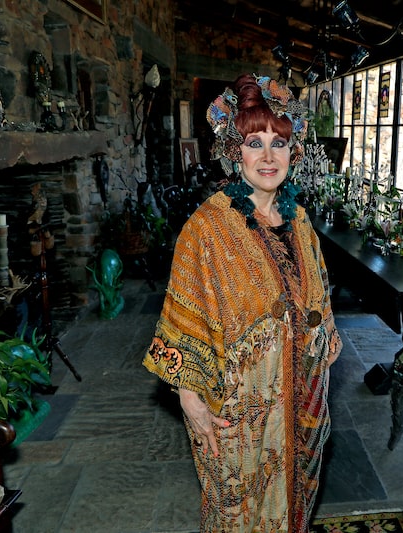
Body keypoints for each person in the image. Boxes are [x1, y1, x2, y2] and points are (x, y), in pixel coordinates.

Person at [143, 73, 342, 532]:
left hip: (301, 401)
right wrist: (191, 402)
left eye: (279, 143)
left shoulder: (300, 221)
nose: (268, 157)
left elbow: (320, 300)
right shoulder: (206, 229)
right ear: (235, 151)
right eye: (255, 143)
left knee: (294, 506)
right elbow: (182, 322)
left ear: (293, 152)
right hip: (239, 415)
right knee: (238, 516)